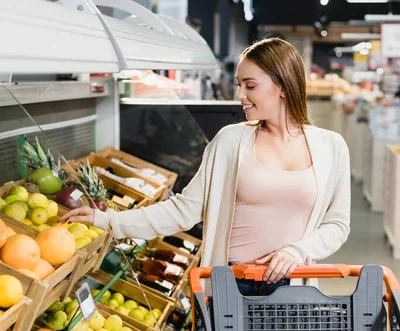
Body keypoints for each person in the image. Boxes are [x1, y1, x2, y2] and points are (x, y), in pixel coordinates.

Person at [61, 38, 351, 295]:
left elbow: (337, 225)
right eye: (239, 85)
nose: (240, 96)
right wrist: (109, 220)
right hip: (233, 285)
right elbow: (183, 210)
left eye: (250, 85)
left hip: (296, 285)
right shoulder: (230, 141)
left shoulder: (331, 147)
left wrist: (297, 251)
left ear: (283, 87)